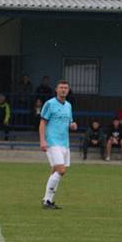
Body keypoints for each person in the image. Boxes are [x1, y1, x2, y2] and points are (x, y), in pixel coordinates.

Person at [39, 80, 78, 209]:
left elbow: (69, 122)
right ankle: (47, 201)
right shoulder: (50, 104)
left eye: (66, 88)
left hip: (64, 143)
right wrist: (43, 141)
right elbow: (43, 123)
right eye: (61, 87)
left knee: (56, 170)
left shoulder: (68, 106)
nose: (63, 90)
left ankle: (47, 199)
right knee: (61, 170)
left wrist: (72, 125)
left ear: (68, 90)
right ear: (56, 89)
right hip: (52, 142)